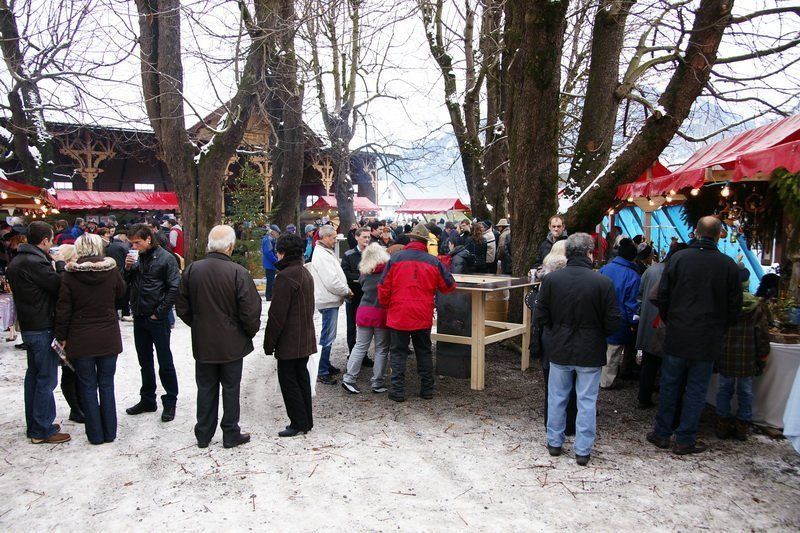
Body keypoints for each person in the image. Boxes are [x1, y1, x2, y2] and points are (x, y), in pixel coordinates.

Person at [647, 216, 743, 455]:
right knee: (696, 390)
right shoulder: (728, 265)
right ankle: (685, 438)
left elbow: (663, 296)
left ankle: (662, 432)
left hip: (678, 333)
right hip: (707, 337)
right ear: (718, 235)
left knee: (670, 385)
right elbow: (735, 306)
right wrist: (720, 327)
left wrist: (671, 320)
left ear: (696, 232)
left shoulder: (679, 259)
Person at [535, 233, 621, 466]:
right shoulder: (602, 282)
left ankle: (554, 441)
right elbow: (613, 321)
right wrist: (598, 333)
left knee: (557, 397)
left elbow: (540, 315)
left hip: (560, 346)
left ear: (567, 252)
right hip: (590, 349)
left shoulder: (552, 280)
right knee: (586, 401)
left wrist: (556, 329)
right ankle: (582, 449)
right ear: (589, 253)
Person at [176, 225, 261, 449]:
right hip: (232, 342)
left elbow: (182, 306)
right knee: (231, 388)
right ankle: (230, 431)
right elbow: (250, 310)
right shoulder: (237, 272)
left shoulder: (193, 270)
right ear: (230, 246)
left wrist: (198, 324)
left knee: (206, 387)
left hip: (204, 341)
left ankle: (203, 433)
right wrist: (247, 332)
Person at [54, 234, 126, 445]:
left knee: (87, 385)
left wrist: (61, 336)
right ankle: (109, 431)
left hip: (81, 336)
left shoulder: (70, 275)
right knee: (106, 384)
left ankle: (94, 434)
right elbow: (121, 293)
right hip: (108, 335)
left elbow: (64, 309)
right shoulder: (111, 271)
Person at [7, 221, 71, 444]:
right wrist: (60, 264)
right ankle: (42, 429)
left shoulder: (18, 260)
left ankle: (35, 424)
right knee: (46, 379)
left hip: (30, 325)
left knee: (34, 377)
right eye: (51, 240)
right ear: (45, 241)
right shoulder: (35, 262)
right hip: (42, 326)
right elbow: (60, 286)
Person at [378, 223, 456, 401]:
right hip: (422, 313)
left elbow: (383, 287)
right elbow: (449, 285)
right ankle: (427, 389)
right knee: (424, 351)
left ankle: (398, 390)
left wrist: (387, 305)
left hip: (399, 313)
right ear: (426, 242)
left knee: (398, 352)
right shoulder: (433, 261)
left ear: (411, 239)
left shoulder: (395, 259)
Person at [124, 224, 181, 422]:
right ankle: (148, 399)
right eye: (132, 243)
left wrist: (159, 313)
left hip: (157, 318)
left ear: (148, 239)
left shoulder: (166, 258)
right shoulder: (137, 258)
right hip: (140, 315)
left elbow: (174, 288)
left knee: (165, 361)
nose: (135, 247)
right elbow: (126, 284)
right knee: (144, 361)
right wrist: (127, 268)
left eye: (137, 242)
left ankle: (170, 401)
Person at [264, 233, 317, 437]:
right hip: (304, 336)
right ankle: (305, 420)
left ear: (282, 252)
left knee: (289, 380)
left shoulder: (286, 277)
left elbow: (277, 314)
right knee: (301, 377)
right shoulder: (304, 272)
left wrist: (269, 342)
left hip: (290, 339)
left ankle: (298, 422)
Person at [715, 267, 770, 442]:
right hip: (747, 356)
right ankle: (742, 425)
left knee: (724, 389)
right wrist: (763, 356)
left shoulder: (724, 304)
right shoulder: (757, 306)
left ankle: (722, 422)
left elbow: (717, 330)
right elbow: (762, 335)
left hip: (726, 354)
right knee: (745, 391)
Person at [531, 239, 578, 436]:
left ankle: (551, 424)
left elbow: (539, 315)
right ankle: (569, 424)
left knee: (552, 384)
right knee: (572, 382)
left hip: (550, 336)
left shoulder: (546, 281)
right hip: (570, 336)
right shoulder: (576, 280)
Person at [342, 243, 391, 394]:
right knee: (381, 349)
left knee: (360, 346)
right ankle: (377, 382)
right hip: (381, 313)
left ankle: (349, 378)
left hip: (364, 311)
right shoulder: (388, 271)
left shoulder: (364, 272)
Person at [307, 225, 352, 385]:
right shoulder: (322, 255)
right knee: (327, 337)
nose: (335, 241)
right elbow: (331, 281)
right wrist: (346, 291)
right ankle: (322, 370)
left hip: (329, 299)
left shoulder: (323, 252)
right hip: (328, 300)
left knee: (328, 335)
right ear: (325, 238)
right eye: (333, 238)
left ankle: (325, 365)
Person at [599, 238, 641, 389]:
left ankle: (596, 377)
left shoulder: (605, 268)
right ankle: (606, 382)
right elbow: (631, 303)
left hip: (600, 314)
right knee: (613, 352)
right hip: (619, 319)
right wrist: (634, 321)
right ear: (633, 257)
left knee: (601, 348)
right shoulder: (633, 275)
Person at [635, 254, 667, 409]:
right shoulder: (675, 272)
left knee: (649, 362)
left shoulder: (651, 270)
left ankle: (644, 396)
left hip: (648, 321)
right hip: (665, 324)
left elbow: (640, 294)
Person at [341, 227, 374, 366]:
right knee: (351, 326)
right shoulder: (349, 254)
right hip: (353, 295)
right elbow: (345, 273)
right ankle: (352, 354)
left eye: (368, 237)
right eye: (364, 237)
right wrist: (362, 277)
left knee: (365, 327)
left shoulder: (372, 254)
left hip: (368, 296)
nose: (367, 239)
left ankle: (363, 355)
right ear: (356, 237)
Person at [261, 225, 279, 301]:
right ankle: (269, 296)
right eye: (276, 232)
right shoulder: (268, 240)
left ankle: (270, 295)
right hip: (269, 263)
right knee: (270, 280)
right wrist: (275, 260)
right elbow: (268, 252)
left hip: (270, 263)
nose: (277, 234)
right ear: (272, 232)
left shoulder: (270, 239)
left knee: (271, 279)